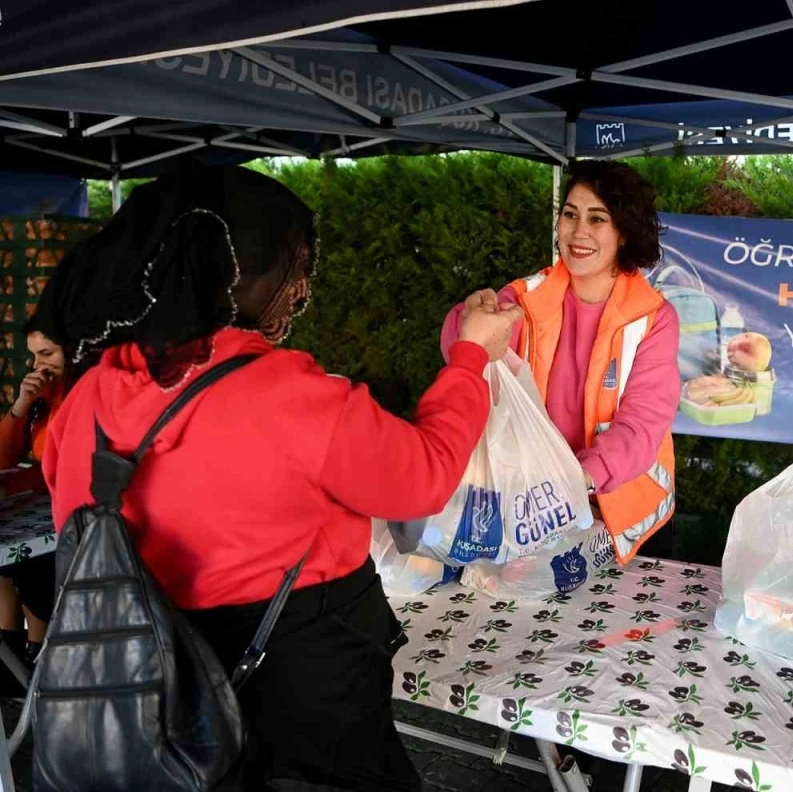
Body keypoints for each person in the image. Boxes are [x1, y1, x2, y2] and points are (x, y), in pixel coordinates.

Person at [41, 165, 521, 790]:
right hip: (300, 690)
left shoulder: (88, 396)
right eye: (292, 269)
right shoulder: (288, 394)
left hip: (143, 691)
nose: (299, 292)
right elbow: (422, 477)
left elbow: (71, 509)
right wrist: (470, 358)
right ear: (239, 273)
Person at [440, 160, 680, 563]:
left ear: (624, 232)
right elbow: (461, 350)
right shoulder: (524, 297)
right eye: (570, 215)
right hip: (535, 508)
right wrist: (467, 319)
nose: (578, 231)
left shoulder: (654, 319)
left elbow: (642, 424)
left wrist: (577, 480)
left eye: (597, 219)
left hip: (621, 516)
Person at [0, 304, 68, 673]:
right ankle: (13, 657)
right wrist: (21, 406)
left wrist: (17, 483)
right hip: (43, 503)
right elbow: (4, 458)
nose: (37, 365)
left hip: (72, 511)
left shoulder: (86, 394)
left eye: (47, 354)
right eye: (34, 356)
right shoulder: (45, 391)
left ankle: (36, 658)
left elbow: (71, 468)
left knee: (30, 568)